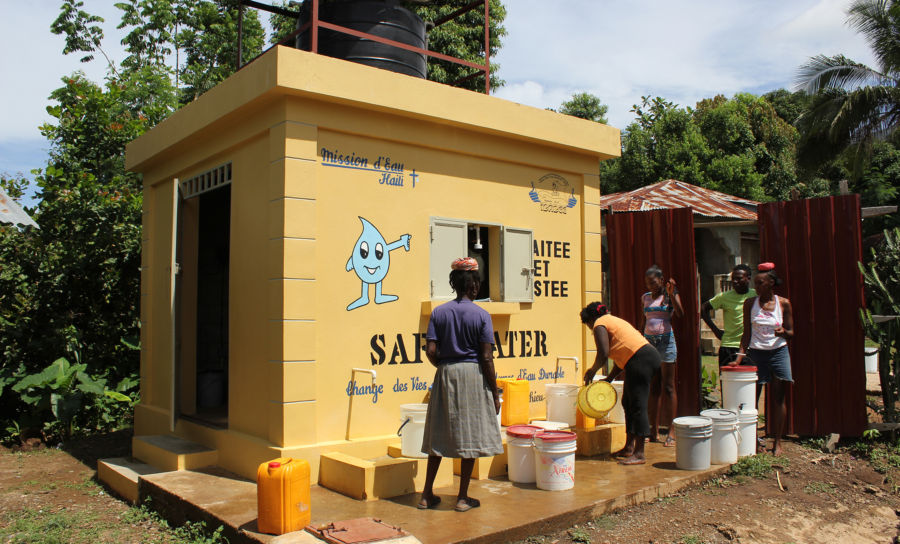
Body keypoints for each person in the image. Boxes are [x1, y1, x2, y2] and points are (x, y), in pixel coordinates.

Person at [419, 257, 502, 512]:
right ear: (473, 285)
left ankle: (426, 495)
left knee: (437, 434)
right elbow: (486, 357)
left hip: (445, 374)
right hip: (473, 375)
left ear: (454, 284)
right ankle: (462, 498)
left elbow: (430, 350)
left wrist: (445, 367)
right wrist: (494, 392)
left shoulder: (438, 313)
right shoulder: (482, 315)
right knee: (470, 436)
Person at [582, 302, 662, 465]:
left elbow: (603, 353)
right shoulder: (612, 321)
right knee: (628, 403)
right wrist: (609, 378)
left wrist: (592, 370)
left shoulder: (600, 323)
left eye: (588, 325)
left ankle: (639, 453)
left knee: (638, 405)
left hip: (642, 359)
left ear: (591, 319)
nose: (590, 329)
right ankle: (629, 448)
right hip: (642, 357)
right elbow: (622, 357)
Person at [732, 262, 793, 455]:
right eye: (755, 284)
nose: (756, 287)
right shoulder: (750, 304)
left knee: (779, 398)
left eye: (760, 284)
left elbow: (791, 332)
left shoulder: (783, 304)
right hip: (756, 354)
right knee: (753, 399)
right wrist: (739, 359)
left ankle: (778, 442)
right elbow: (746, 334)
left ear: (771, 283)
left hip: (778, 353)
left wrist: (783, 332)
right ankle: (754, 441)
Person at [640, 265, 683, 447]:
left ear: (661, 280)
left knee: (668, 387)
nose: (651, 286)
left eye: (654, 282)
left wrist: (672, 294)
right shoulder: (645, 298)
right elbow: (643, 320)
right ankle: (653, 430)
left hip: (666, 342)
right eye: (648, 283)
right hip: (649, 343)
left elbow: (680, 314)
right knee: (654, 387)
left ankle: (672, 432)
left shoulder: (669, 296)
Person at [701, 264, 756, 366]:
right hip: (729, 346)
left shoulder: (755, 295)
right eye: (733, 279)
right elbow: (703, 308)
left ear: (748, 278)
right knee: (727, 376)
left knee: (749, 376)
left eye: (738, 279)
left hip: (750, 347)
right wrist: (715, 330)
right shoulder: (724, 297)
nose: (734, 281)